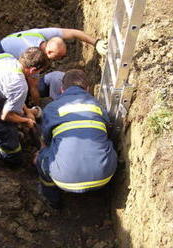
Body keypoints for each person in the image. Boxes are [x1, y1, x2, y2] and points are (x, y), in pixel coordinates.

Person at [34, 69, 117, 209]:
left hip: (64, 180)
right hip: (104, 176)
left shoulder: (52, 108)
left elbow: (46, 140)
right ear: (88, 88)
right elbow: (108, 133)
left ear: (61, 89)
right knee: (107, 143)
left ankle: (53, 201)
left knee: (40, 159)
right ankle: (102, 197)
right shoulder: (99, 107)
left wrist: (43, 153)